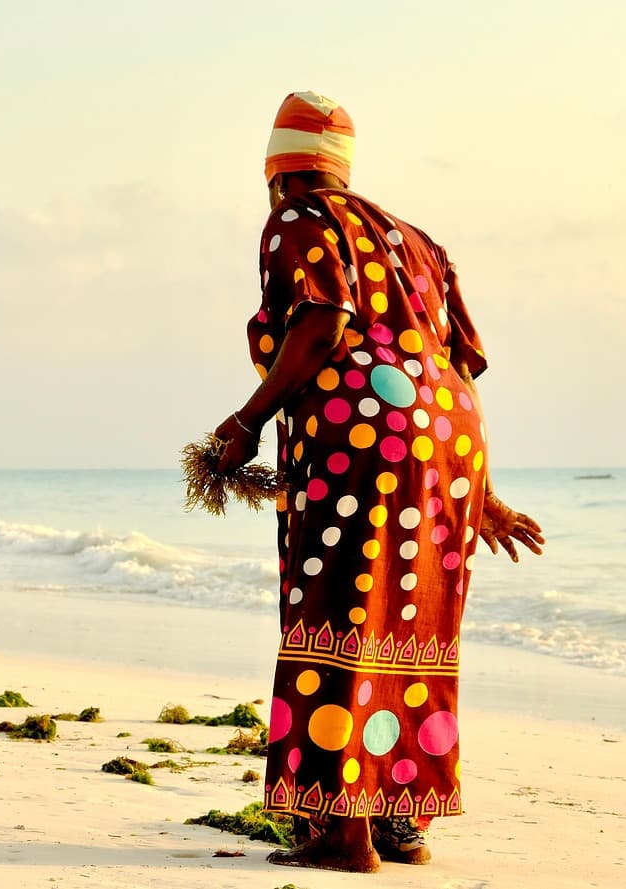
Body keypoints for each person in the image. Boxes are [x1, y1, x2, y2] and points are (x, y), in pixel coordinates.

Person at [212, 90, 544, 873]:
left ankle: (342, 831)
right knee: (412, 615)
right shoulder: (417, 240)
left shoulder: (298, 218)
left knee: (335, 609)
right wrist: (480, 488)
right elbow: (458, 363)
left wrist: (247, 420)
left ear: (278, 173)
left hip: (361, 436)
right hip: (450, 436)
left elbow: (321, 321)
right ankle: (402, 822)